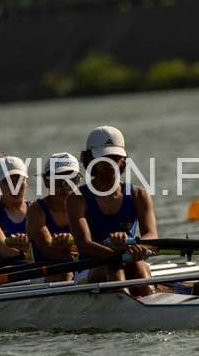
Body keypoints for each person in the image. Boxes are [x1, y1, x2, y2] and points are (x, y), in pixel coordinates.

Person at [66, 126, 157, 297]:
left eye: (115, 157)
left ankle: (150, 300)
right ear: (90, 159)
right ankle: (128, 302)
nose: (110, 163)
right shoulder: (76, 199)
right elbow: (84, 244)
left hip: (130, 260)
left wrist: (139, 247)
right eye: (104, 157)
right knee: (114, 267)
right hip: (90, 268)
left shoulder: (139, 195)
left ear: (123, 160)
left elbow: (151, 236)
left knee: (137, 266)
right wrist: (118, 252)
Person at [27, 153, 80, 281]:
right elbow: (49, 250)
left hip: (79, 268)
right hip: (46, 273)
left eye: (72, 180)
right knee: (66, 273)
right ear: (46, 182)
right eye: (59, 181)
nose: (66, 187)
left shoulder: (86, 205)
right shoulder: (36, 210)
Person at [0, 156, 31, 259]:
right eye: (8, 181)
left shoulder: (36, 210)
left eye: (19, 180)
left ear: (27, 182)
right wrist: (30, 251)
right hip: (6, 267)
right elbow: (4, 250)